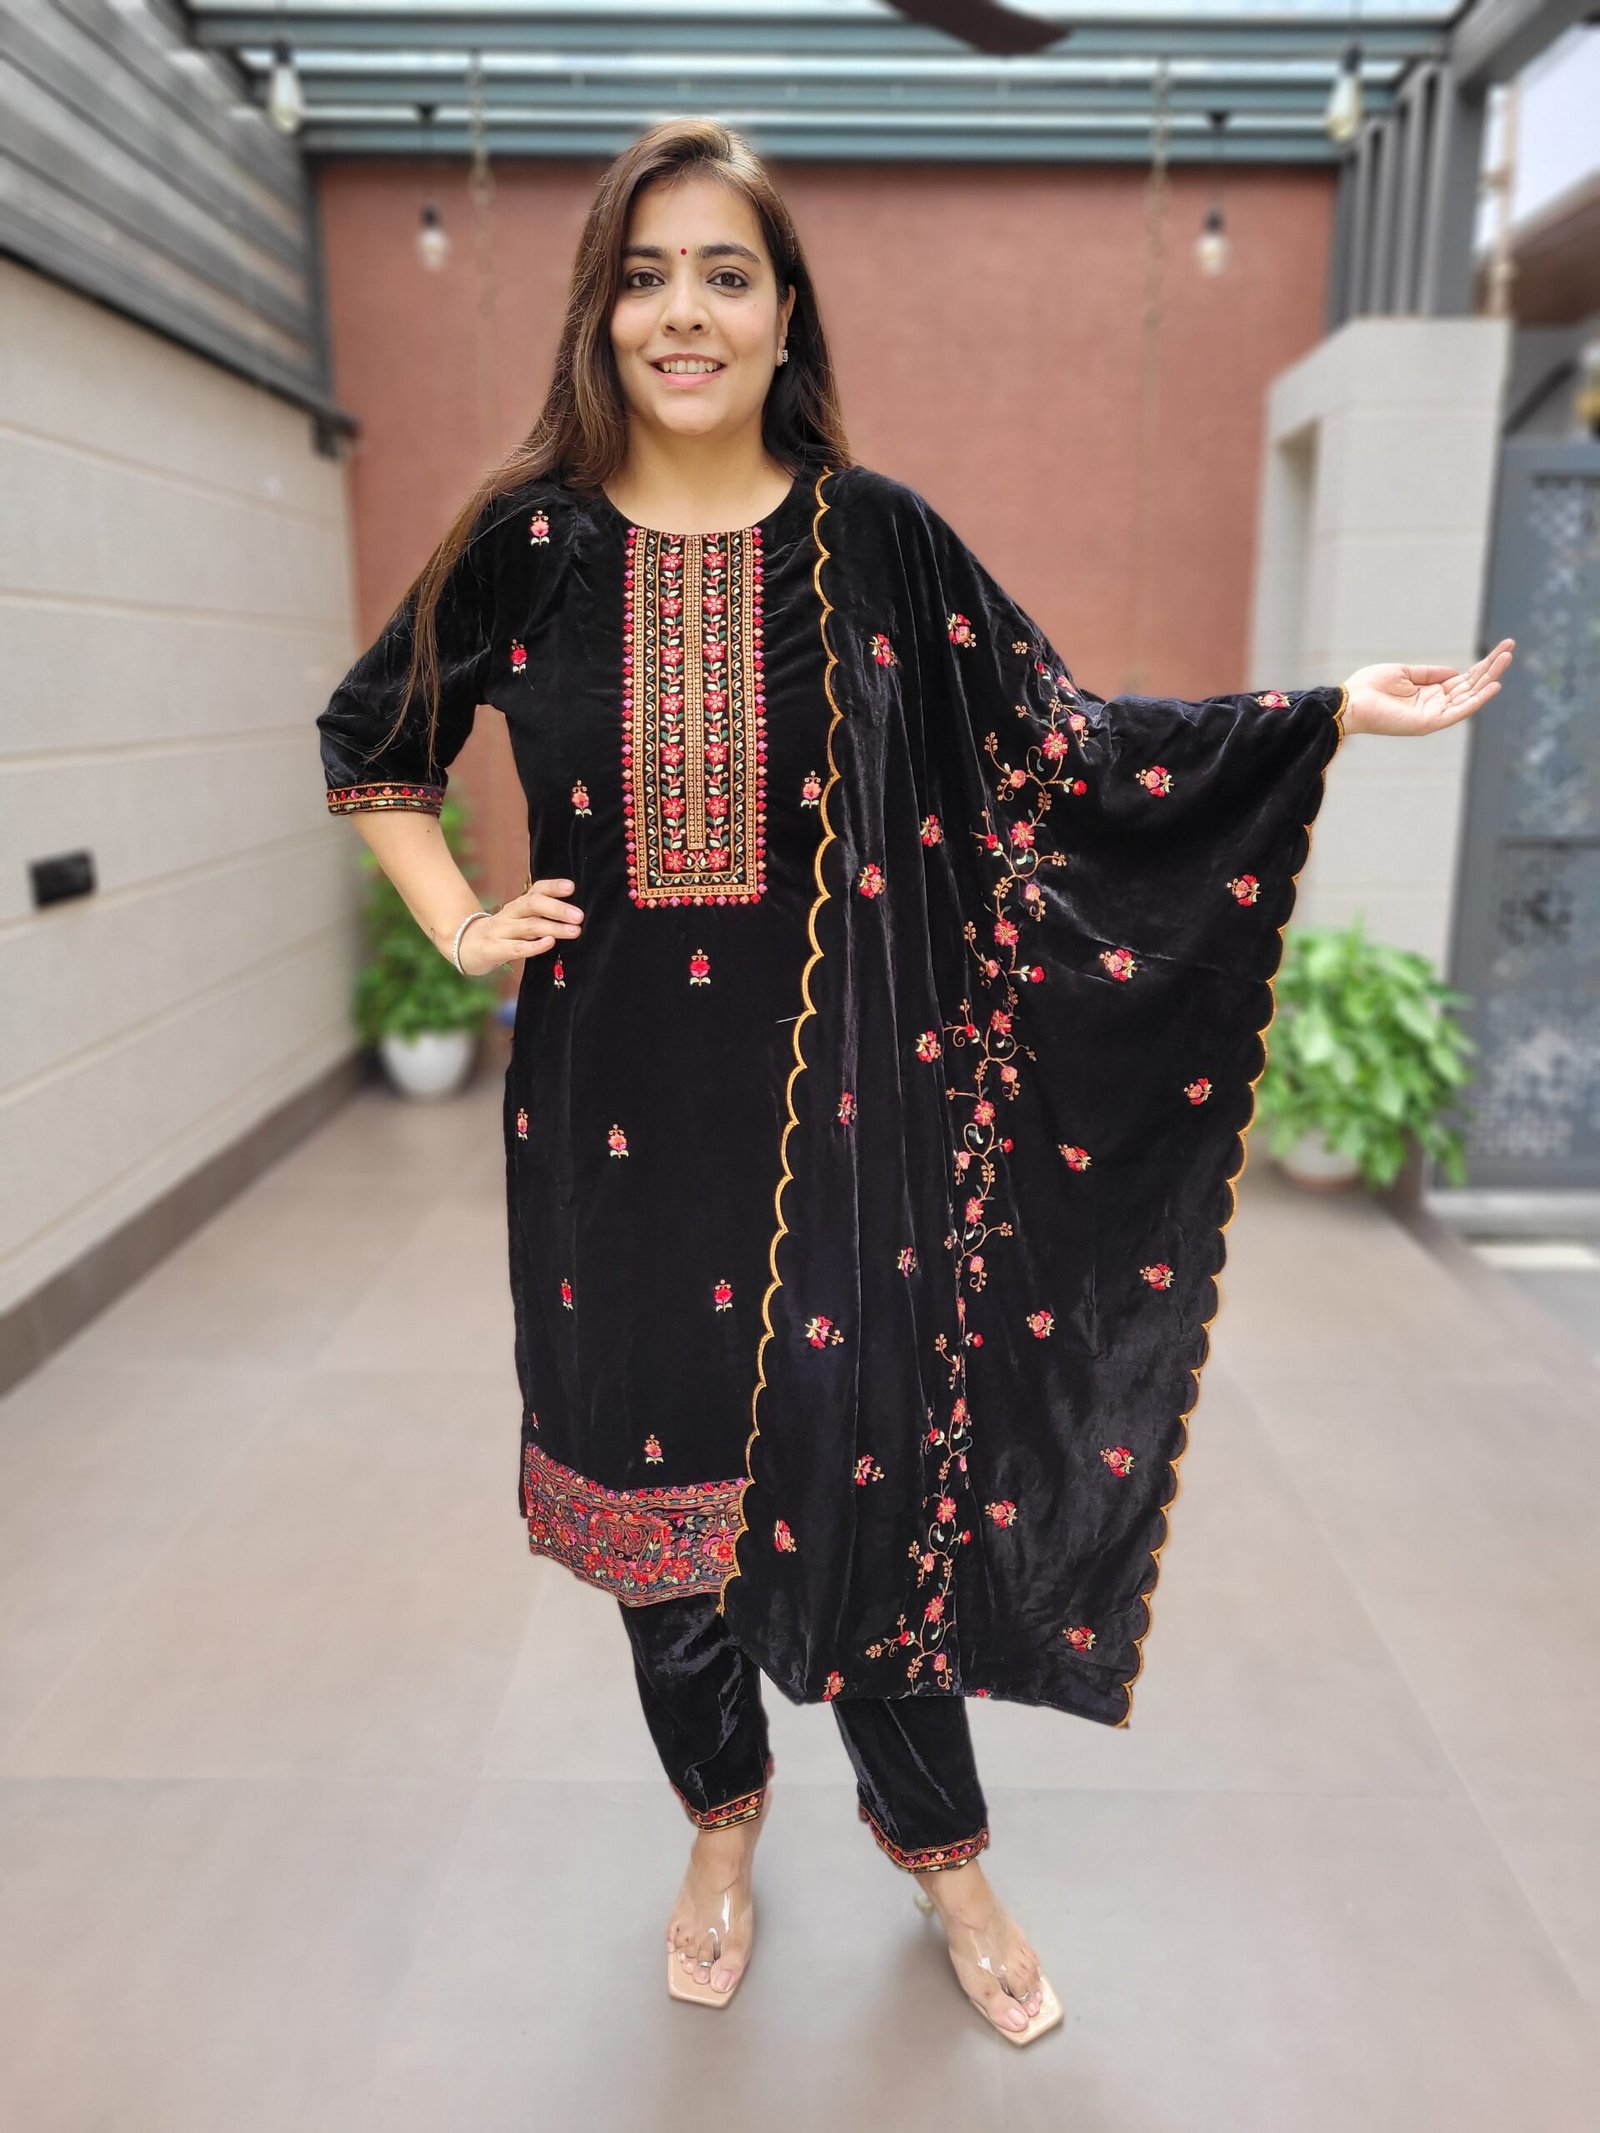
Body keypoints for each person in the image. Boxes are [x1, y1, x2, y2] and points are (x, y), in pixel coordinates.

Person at [315, 117, 1512, 2041]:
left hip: (847, 1131)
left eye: (725, 275)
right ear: (599, 313)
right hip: (614, 1140)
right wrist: (459, 921)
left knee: (863, 1493)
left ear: (787, 312)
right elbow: (374, 739)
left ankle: (947, 1858)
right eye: (644, 276)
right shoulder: (526, 546)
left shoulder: (876, 540)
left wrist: (1319, 715)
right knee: (653, 1519)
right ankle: (720, 1827)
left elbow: (1064, 745)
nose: (683, 314)